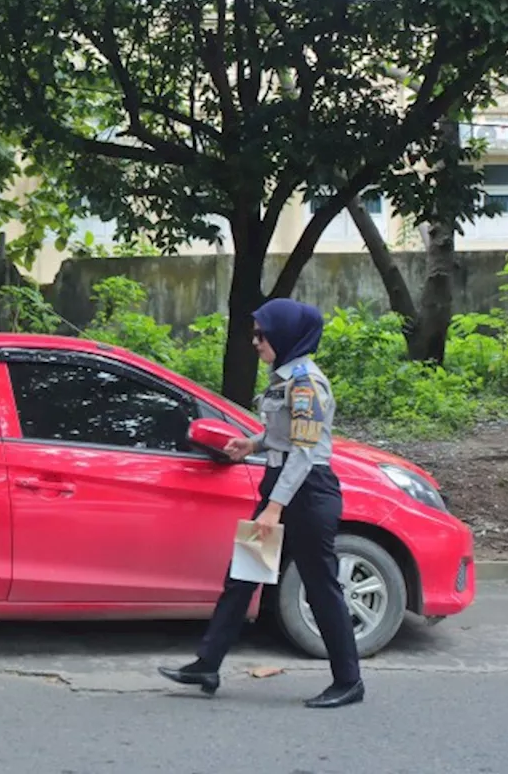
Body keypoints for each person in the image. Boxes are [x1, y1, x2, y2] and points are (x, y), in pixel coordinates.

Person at [158, 298, 365, 708]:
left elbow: (305, 453)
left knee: (321, 587)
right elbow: (284, 436)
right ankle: (207, 664)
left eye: (262, 334)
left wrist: (274, 507)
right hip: (283, 487)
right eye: (254, 334)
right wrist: (251, 444)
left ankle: (349, 681)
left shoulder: (306, 383)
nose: (255, 341)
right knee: (243, 575)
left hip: (306, 493)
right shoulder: (283, 378)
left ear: (286, 334)